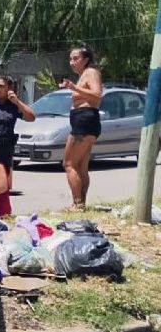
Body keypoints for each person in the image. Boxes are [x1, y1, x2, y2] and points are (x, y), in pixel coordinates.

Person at [59, 44, 103, 211]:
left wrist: (74, 88)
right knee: (81, 166)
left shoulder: (91, 72)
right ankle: (81, 203)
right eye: (70, 58)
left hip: (84, 121)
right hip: (84, 120)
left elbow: (97, 94)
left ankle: (77, 204)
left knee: (68, 164)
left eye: (76, 58)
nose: (72, 62)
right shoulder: (84, 75)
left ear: (86, 60)